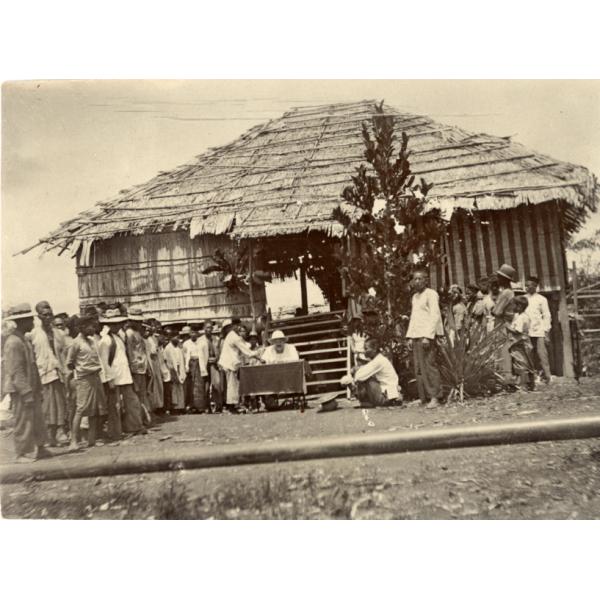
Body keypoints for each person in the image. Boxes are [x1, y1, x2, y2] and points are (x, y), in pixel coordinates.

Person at [3, 304, 51, 462]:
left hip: (32, 386)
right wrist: (26, 392)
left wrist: (37, 388)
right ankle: (22, 453)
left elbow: (32, 366)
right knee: (23, 420)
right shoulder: (13, 342)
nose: (32, 322)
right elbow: (16, 371)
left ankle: (40, 447)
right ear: (21, 321)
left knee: (37, 419)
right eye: (29, 319)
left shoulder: (24, 339)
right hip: (21, 389)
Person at [98, 308, 146, 437]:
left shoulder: (118, 337)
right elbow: (104, 362)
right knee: (115, 406)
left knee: (132, 402)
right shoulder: (105, 340)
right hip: (114, 376)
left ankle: (134, 426)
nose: (118, 325)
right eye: (115, 323)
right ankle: (115, 431)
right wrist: (109, 380)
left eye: (119, 323)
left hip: (124, 375)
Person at [29, 300, 68, 446]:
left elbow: (65, 352)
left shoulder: (59, 333)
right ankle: (47, 436)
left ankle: (60, 432)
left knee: (60, 403)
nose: (48, 317)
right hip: (43, 374)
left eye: (50, 314)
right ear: (39, 316)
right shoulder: (34, 334)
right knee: (47, 406)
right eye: (44, 314)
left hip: (58, 372)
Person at [66, 316, 107, 450]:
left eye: (94, 326)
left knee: (94, 409)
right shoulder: (75, 343)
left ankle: (91, 439)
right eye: (91, 326)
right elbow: (70, 363)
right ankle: (73, 441)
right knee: (81, 409)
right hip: (84, 379)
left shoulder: (91, 341)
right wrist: (80, 373)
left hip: (95, 377)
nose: (93, 329)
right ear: (82, 327)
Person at [406, 270, 443, 408]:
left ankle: (435, 397)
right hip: (416, 335)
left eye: (420, 279)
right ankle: (423, 398)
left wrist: (428, 336)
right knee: (418, 368)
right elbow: (414, 317)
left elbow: (435, 315)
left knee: (429, 366)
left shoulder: (431, 294)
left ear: (426, 280)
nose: (417, 281)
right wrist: (410, 336)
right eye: (414, 279)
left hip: (426, 336)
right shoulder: (415, 297)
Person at [340, 338, 400, 407]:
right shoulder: (379, 359)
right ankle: (367, 401)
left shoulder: (378, 361)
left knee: (364, 377)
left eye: (366, 349)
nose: (364, 351)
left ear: (374, 349)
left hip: (387, 397)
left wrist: (351, 378)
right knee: (364, 374)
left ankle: (366, 401)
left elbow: (359, 376)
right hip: (389, 394)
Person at [218, 321, 261, 412]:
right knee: (232, 386)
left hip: (232, 364)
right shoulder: (233, 336)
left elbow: (245, 345)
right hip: (230, 364)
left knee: (234, 385)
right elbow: (247, 351)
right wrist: (259, 357)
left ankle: (234, 405)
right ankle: (231, 407)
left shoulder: (234, 335)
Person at [125, 308, 151, 425]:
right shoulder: (129, 333)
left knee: (142, 394)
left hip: (142, 366)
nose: (139, 323)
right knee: (137, 394)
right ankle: (138, 420)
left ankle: (143, 417)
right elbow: (130, 352)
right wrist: (132, 367)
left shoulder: (137, 333)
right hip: (136, 368)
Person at [524, 275, 552, 384]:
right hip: (527, 331)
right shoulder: (523, 298)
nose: (526, 287)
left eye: (529, 285)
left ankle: (547, 376)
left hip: (539, 330)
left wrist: (546, 330)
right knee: (529, 354)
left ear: (535, 286)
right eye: (525, 285)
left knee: (542, 354)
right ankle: (532, 378)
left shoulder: (542, 299)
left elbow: (547, 315)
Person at [492, 264, 517, 385]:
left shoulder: (506, 293)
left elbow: (497, 311)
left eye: (499, 277)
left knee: (503, 350)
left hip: (502, 323)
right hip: (504, 322)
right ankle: (505, 377)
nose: (497, 279)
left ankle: (506, 377)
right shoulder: (508, 292)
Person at [508, 295, 535, 390]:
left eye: (514, 305)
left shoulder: (521, 318)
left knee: (521, 363)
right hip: (523, 342)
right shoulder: (520, 316)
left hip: (520, 343)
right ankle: (528, 384)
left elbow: (517, 331)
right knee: (526, 362)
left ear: (519, 306)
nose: (512, 307)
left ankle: (523, 385)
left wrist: (507, 327)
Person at [197, 320, 223, 413]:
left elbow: (220, 351)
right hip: (204, 365)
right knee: (206, 387)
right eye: (207, 327)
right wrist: (203, 365)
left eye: (210, 328)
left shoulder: (215, 339)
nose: (209, 329)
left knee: (217, 384)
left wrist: (216, 358)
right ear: (204, 328)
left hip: (214, 364)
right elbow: (199, 355)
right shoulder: (200, 340)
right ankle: (206, 406)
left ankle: (218, 405)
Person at [183, 327, 208, 413]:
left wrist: (203, 366)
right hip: (190, 365)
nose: (193, 334)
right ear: (189, 334)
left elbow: (206, 355)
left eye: (195, 332)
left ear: (197, 333)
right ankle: (191, 406)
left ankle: (200, 407)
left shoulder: (202, 343)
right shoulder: (186, 343)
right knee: (190, 385)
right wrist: (187, 366)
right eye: (192, 332)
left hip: (199, 364)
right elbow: (185, 355)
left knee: (199, 385)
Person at [144, 320, 164, 413]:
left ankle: (158, 405)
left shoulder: (154, 338)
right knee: (152, 385)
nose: (153, 328)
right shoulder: (146, 339)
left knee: (158, 384)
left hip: (156, 362)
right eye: (152, 326)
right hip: (150, 362)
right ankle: (152, 406)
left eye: (155, 327)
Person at [164, 335, 186, 412]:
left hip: (179, 368)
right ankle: (174, 407)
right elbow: (167, 361)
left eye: (178, 338)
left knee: (180, 387)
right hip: (172, 369)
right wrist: (172, 370)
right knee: (173, 388)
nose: (177, 339)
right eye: (175, 337)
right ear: (171, 338)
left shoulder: (178, 348)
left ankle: (180, 406)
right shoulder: (168, 348)